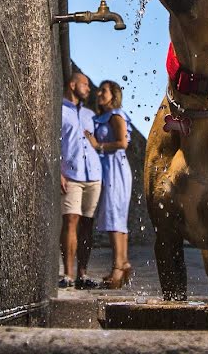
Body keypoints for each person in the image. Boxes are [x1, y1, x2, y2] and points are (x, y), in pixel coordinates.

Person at [86, 79, 133, 289]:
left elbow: (123, 143)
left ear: (113, 95)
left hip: (116, 168)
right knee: (116, 217)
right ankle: (122, 264)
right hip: (109, 168)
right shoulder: (102, 117)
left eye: (103, 91)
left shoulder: (116, 116)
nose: (98, 94)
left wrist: (98, 145)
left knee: (115, 215)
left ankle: (118, 267)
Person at [58, 72, 102, 289]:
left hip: (94, 175)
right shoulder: (59, 111)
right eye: (85, 84)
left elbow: (98, 143)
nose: (89, 89)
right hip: (72, 174)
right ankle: (67, 274)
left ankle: (82, 275)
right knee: (70, 221)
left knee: (87, 225)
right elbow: (53, 143)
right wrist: (59, 172)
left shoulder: (90, 114)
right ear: (72, 84)